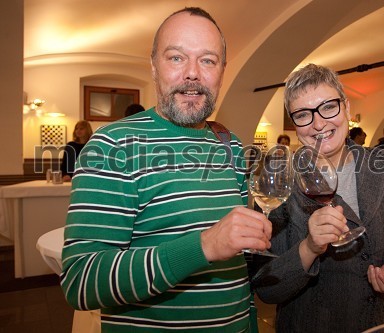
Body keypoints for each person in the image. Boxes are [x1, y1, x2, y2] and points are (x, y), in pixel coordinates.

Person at [60, 7, 272, 332]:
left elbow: (238, 271)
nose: (192, 73)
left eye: (208, 60)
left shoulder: (229, 143)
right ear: (154, 66)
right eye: (176, 58)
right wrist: (202, 246)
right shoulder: (112, 146)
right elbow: (82, 282)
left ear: (222, 70)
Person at [250, 64, 384, 332]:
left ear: (345, 107)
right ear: (294, 122)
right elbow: (267, 287)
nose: (319, 123)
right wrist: (309, 248)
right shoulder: (279, 184)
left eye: (328, 107)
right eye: (303, 114)